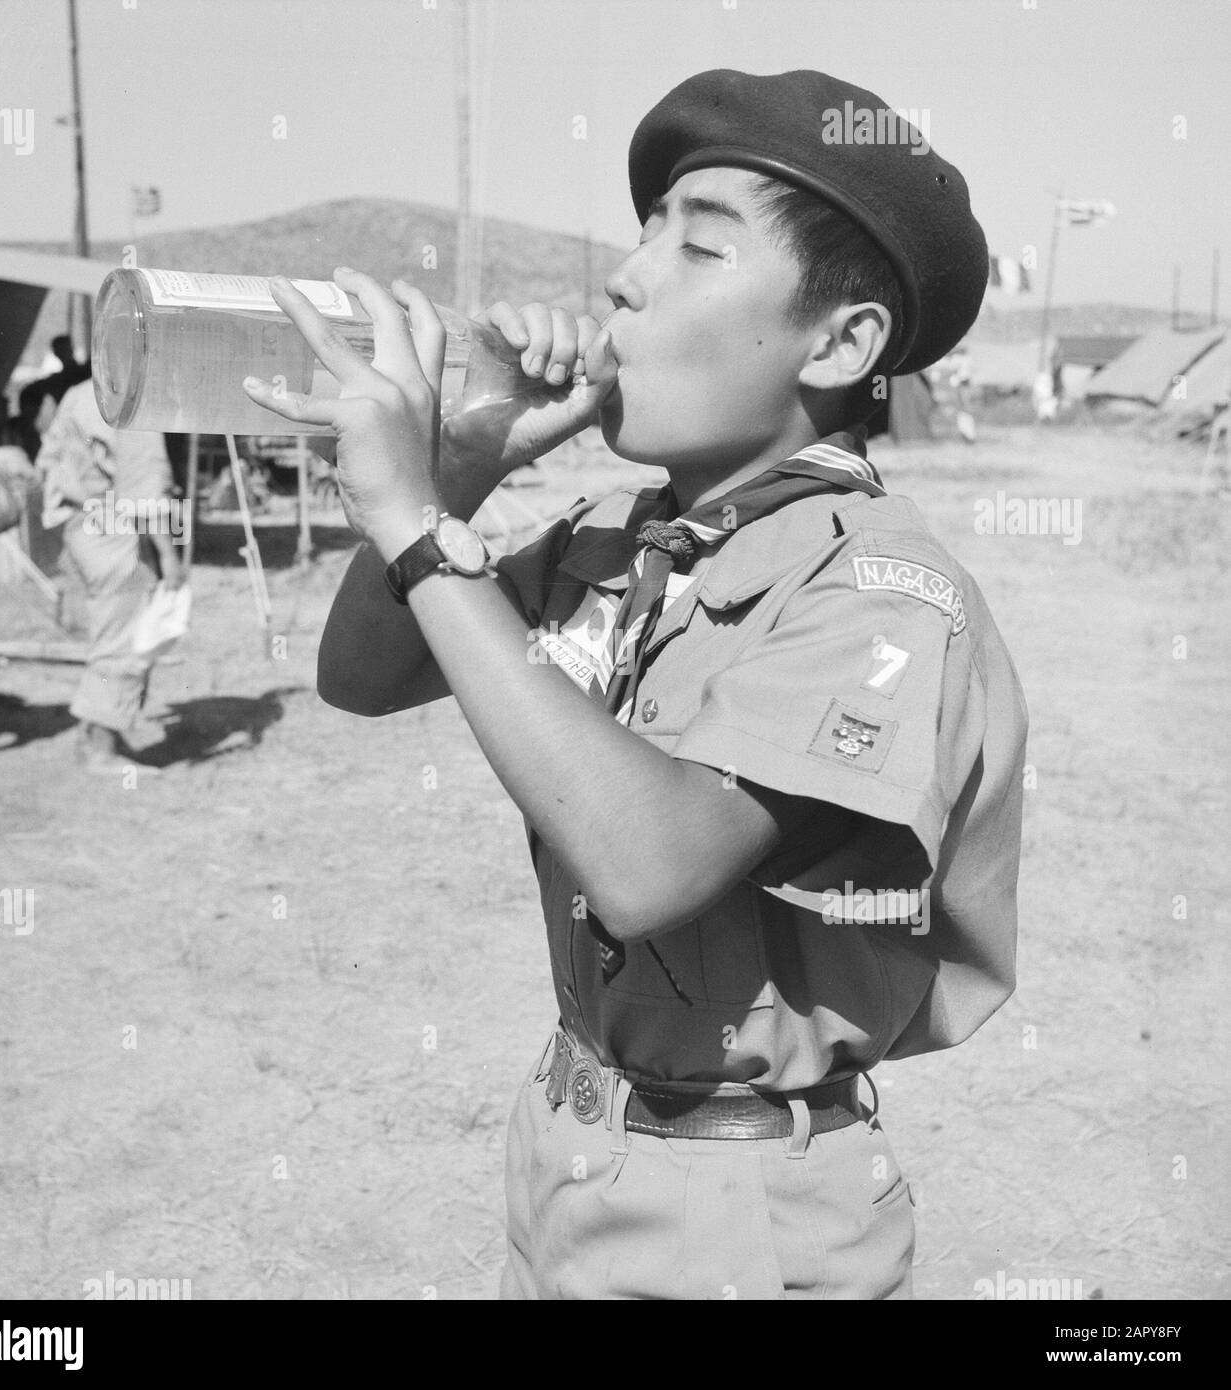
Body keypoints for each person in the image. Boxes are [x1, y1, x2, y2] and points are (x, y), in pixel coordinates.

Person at [249, 68, 1027, 1300]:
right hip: (569, 1144)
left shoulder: (879, 588)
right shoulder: (620, 533)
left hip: (740, 1212)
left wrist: (411, 521)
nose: (627, 274)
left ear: (842, 343)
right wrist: (456, 472)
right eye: (646, 227)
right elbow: (360, 672)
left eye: (698, 245)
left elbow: (652, 861)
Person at [36, 378, 183, 770]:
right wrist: (168, 555)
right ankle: (101, 751)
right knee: (124, 641)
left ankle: (100, 738)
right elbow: (145, 490)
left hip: (80, 525)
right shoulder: (135, 396)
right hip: (112, 527)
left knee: (110, 633)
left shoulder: (79, 391)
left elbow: (47, 460)